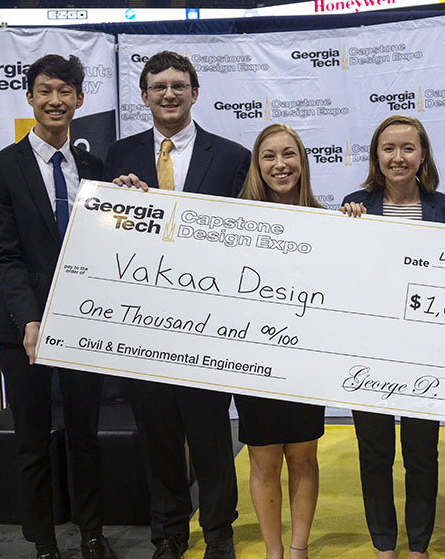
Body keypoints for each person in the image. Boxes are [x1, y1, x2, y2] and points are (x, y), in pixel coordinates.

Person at [104, 50, 250, 559]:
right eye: (159, 86)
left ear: (195, 92)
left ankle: (218, 533)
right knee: (158, 435)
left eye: (179, 85)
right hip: (142, 322)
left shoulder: (231, 156)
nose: (169, 93)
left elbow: (245, 241)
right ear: (144, 96)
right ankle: (168, 533)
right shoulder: (117, 157)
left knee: (210, 434)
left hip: (207, 323)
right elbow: (106, 239)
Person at [0, 54, 117, 559]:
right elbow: (6, 257)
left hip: (84, 321)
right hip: (23, 324)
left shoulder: (97, 168)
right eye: (45, 91)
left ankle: (92, 534)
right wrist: (31, 320)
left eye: (65, 92)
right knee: (31, 442)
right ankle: (42, 543)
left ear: (79, 99)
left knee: (86, 437)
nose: (55, 100)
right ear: (30, 98)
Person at [340, 115, 445, 559]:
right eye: (388, 148)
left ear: (423, 155)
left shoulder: (444, 207)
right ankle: (384, 545)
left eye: (408, 148)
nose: (398, 157)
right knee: (374, 454)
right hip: (369, 350)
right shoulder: (355, 204)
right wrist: (346, 226)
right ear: (376, 155)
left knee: (422, 454)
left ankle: (419, 546)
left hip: (423, 352)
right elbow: (344, 274)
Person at [234, 123, 326, 559]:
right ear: (257, 165)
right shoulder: (236, 221)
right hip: (252, 359)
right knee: (263, 460)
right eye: (268, 156)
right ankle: (273, 552)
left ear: (302, 161)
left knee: (304, 456)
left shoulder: (328, 220)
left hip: (307, 360)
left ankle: (298, 550)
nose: (280, 164)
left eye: (288, 154)